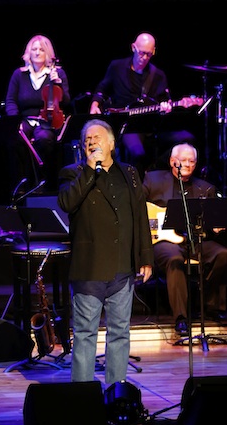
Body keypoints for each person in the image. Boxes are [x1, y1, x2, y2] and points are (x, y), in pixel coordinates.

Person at [58, 119, 153, 385]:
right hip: (89, 269)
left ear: (111, 143)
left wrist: (145, 257)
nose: (91, 141)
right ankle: (82, 397)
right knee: (86, 333)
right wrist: (90, 169)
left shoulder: (130, 173)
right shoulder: (72, 172)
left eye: (97, 137)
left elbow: (139, 216)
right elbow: (67, 202)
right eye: (87, 138)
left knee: (120, 333)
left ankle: (116, 395)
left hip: (123, 266)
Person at [143, 142, 227, 333]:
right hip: (163, 241)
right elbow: (136, 209)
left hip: (194, 240)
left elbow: (211, 222)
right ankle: (181, 317)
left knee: (223, 254)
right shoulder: (153, 180)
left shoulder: (205, 189)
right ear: (173, 161)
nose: (188, 164)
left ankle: (209, 305)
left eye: (192, 161)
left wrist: (215, 227)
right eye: (184, 160)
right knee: (175, 259)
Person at [89, 32, 195, 178]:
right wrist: (95, 105)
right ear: (133, 48)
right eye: (142, 53)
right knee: (137, 152)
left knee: (186, 137)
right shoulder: (117, 67)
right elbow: (102, 90)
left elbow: (165, 101)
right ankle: (137, 187)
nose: (144, 58)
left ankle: (153, 170)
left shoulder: (158, 75)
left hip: (152, 124)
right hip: (127, 125)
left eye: (149, 54)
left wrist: (166, 107)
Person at [5, 34, 70, 192]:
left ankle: (45, 183)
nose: (37, 52)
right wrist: (16, 120)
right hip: (26, 119)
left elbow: (67, 102)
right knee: (16, 139)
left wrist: (58, 84)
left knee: (45, 139)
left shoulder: (57, 74)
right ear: (28, 53)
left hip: (47, 121)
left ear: (48, 53)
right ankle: (22, 183)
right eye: (33, 49)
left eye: (41, 49)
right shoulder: (19, 74)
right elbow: (11, 101)